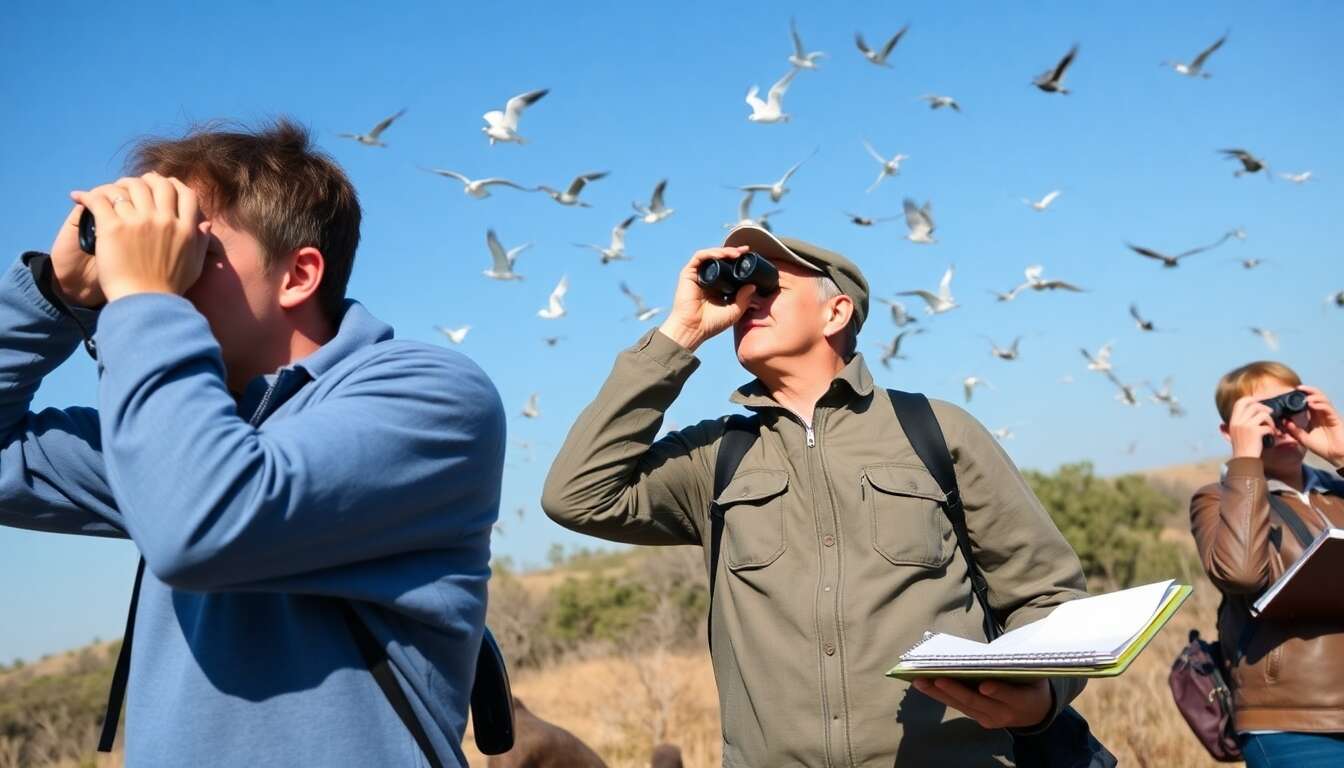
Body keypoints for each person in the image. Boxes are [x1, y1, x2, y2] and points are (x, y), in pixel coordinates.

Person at [0, 119, 505, 767]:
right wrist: (54, 295)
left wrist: (147, 298)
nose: (161, 266)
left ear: (298, 274)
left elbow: (201, 526)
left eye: (194, 248)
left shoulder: (432, 398)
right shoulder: (173, 435)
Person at [541, 225, 1089, 766]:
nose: (745, 300)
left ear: (836, 312)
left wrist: (1040, 698)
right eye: (737, 291)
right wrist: (679, 334)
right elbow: (576, 494)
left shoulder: (937, 432)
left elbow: (1047, 594)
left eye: (766, 286)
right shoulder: (715, 457)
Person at [1190, 361, 1344, 767]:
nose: (1282, 421)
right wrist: (1246, 462)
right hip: (1293, 720)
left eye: (1292, 405)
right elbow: (1241, 573)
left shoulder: (1338, 489)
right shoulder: (1218, 499)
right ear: (1229, 430)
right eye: (1262, 413)